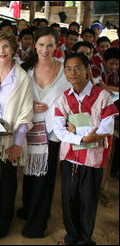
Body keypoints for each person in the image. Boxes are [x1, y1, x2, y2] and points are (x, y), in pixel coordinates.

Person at [54, 52, 118, 245]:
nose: (73, 73)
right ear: (64, 72)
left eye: (78, 68)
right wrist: (86, 136)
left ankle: (85, 239)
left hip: (93, 159)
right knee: (69, 198)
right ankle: (71, 235)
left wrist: (76, 130)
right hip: (71, 157)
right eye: (68, 69)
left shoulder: (103, 96)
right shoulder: (63, 98)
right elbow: (59, 130)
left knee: (88, 201)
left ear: (87, 70)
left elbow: (106, 129)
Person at [19, 27, 71, 238]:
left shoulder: (65, 71)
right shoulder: (26, 69)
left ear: (56, 46)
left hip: (53, 132)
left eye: (50, 45)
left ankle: (36, 224)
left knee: (45, 177)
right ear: (35, 46)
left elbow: (73, 98)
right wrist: (29, 104)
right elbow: (16, 97)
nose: (45, 49)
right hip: (30, 129)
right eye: (41, 44)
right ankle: (28, 210)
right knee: (30, 174)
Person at [0, 31, 33, 238]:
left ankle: (6, 219)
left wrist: (18, 143)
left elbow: (26, 113)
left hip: (12, 138)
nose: (1, 51)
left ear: (13, 49)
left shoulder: (22, 78)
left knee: (9, 179)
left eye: (5, 47)